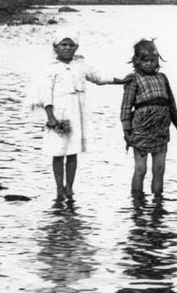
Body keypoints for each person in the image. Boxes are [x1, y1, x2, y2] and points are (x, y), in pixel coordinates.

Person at [31, 33, 129, 199]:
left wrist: (120, 81)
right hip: (58, 114)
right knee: (57, 152)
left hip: (76, 113)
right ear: (56, 47)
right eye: (63, 44)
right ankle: (59, 188)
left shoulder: (81, 65)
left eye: (71, 45)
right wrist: (50, 116)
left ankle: (69, 187)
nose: (67, 48)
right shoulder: (51, 67)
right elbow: (45, 94)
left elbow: (98, 78)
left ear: (76, 47)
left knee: (72, 152)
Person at [121, 39, 177, 197]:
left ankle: (158, 201)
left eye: (153, 60)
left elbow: (172, 106)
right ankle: (137, 203)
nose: (150, 64)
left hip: (161, 130)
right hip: (141, 130)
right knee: (141, 169)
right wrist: (126, 132)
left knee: (159, 169)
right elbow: (125, 108)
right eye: (145, 60)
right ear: (137, 60)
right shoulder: (133, 79)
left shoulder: (162, 78)